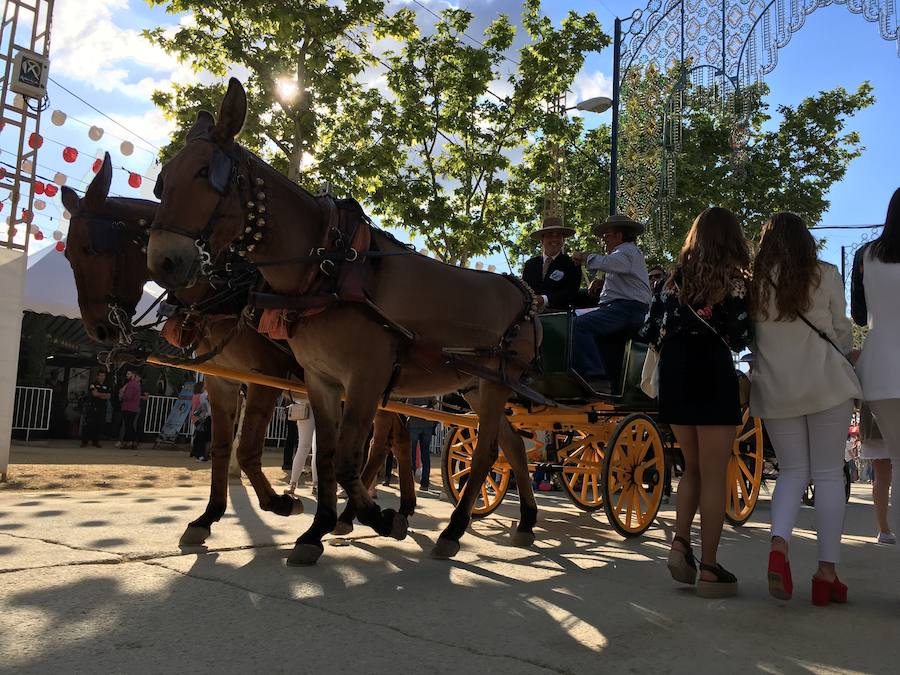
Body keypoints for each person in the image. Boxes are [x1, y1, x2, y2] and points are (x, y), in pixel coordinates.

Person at [748, 212, 860, 605]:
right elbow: (842, 332)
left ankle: (779, 545)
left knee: (792, 471)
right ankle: (826, 572)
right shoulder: (825, 274)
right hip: (827, 383)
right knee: (829, 474)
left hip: (778, 389)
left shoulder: (755, 285)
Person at [640, 207, 751, 599]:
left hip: (675, 370)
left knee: (691, 469)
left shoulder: (672, 280)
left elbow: (649, 329)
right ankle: (709, 567)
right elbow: (740, 337)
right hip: (711, 369)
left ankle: (680, 542)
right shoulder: (734, 280)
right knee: (715, 472)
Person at [852, 187, 900, 542]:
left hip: (880, 365)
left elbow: (857, 314)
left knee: (893, 460)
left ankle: (887, 531)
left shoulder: (864, 255)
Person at [572, 214, 652, 389]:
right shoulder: (626, 254)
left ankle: (595, 377)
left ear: (619, 236)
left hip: (626, 309)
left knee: (578, 325)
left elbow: (610, 263)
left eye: (607, 235)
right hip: (625, 308)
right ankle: (609, 379)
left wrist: (586, 257)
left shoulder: (627, 250)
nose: (604, 240)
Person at [521, 216, 582, 312]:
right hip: (531, 316)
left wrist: (544, 299)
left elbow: (571, 292)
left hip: (559, 317)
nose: (554, 239)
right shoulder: (530, 264)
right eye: (550, 235)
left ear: (563, 240)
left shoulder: (571, 264)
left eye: (558, 235)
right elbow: (523, 291)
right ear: (542, 240)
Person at [859, 404, 894, 544]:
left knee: (881, 476)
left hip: (875, 411)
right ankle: (884, 530)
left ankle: (884, 530)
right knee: (882, 477)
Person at [287, 397, 316, 496]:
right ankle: (293, 483)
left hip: (316, 403)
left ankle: (294, 484)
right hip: (310, 403)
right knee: (305, 446)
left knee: (307, 447)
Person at [407, 398, 439, 491]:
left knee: (412, 455)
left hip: (414, 425)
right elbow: (436, 407)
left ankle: (410, 482)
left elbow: (407, 410)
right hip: (427, 425)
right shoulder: (430, 392)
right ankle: (425, 483)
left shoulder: (413, 392)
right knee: (425, 455)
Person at [80, 370, 111, 448]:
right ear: (97, 376)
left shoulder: (107, 384)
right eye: (100, 375)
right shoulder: (93, 384)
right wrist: (103, 394)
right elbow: (94, 394)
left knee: (99, 425)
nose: (101, 377)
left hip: (102, 407)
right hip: (93, 407)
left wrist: (100, 395)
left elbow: (108, 396)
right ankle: (84, 441)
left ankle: (95, 441)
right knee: (89, 424)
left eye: (103, 376)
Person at [117, 370, 142, 450]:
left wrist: (121, 395)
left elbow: (128, 396)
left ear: (133, 375)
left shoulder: (131, 384)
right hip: (133, 407)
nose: (127, 375)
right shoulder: (136, 384)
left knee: (128, 425)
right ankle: (131, 442)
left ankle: (131, 441)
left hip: (128, 407)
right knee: (130, 425)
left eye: (128, 373)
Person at [190, 381, 211, 461]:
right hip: (200, 418)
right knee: (201, 436)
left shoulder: (195, 396)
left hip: (195, 417)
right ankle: (200, 454)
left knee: (198, 435)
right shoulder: (201, 396)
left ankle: (195, 452)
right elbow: (203, 406)